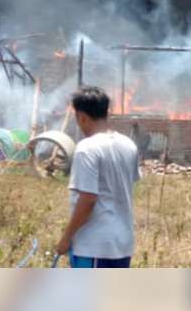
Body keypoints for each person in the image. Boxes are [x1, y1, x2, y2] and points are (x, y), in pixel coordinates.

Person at [55, 86, 140, 268]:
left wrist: (66, 238)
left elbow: (88, 200)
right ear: (106, 113)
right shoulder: (128, 145)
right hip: (122, 244)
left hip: (94, 247)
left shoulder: (86, 149)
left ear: (81, 117)